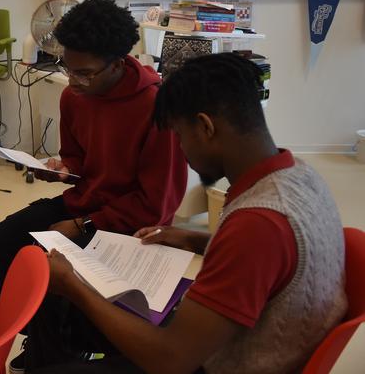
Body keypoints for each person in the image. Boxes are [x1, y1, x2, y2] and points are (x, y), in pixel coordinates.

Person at [39, 53, 347, 374]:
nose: (181, 149)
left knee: (65, 306)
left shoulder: (257, 225)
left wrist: (72, 284)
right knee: (68, 309)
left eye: (179, 135)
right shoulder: (298, 173)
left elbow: (171, 360)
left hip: (221, 360)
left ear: (205, 126)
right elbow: (279, 257)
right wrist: (193, 238)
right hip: (254, 334)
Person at [0, 0, 186, 371]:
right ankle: (48, 339)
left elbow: (156, 205)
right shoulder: (75, 96)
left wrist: (83, 225)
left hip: (130, 225)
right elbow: (79, 163)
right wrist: (58, 169)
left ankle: (56, 346)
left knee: (50, 266)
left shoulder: (156, 106)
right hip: (84, 204)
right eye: (68, 69)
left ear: (119, 64)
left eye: (84, 73)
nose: (73, 81)